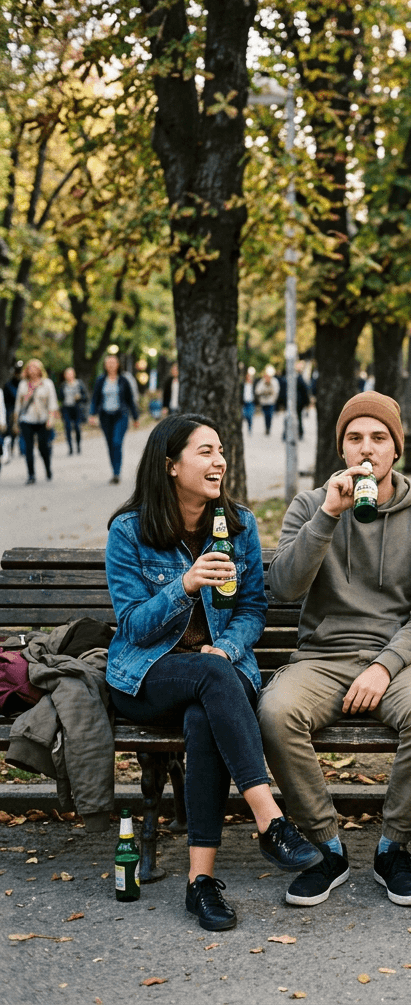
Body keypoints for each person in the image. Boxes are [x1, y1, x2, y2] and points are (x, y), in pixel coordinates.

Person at [104, 414, 320, 931]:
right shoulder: (129, 530)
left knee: (206, 707)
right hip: (148, 675)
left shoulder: (237, 525)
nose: (219, 460)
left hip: (220, 671)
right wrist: (184, 586)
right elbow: (133, 627)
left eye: (221, 450)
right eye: (205, 451)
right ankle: (270, 819)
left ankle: (200, 883)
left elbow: (252, 609)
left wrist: (225, 646)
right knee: (207, 677)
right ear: (170, 466)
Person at [258, 392, 411, 909]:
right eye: (355, 438)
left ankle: (393, 849)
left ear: (396, 449)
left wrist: (384, 667)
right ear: (341, 449)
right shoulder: (309, 505)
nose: (367, 449)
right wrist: (327, 515)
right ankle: (327, 847)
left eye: (379, 438)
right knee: (275, 712)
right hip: (322, 657)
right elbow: (284, 587)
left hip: (398, 660)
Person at [89, 354, 139, 484]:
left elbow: (130, 400)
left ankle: (117, 472)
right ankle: (114, 471)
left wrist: (135, 417)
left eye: (113, 363)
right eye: (108, 363)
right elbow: (95, 399)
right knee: (110, 444)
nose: (111, 365)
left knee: (117, 442)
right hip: (105, 416)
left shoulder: (123, 380)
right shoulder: (101, 380)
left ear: (118, 365)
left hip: (121, 415)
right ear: (105, 365)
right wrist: (92, 414)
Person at [13, 359, 59, 484]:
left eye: (35, 367)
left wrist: (51, 419)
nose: (32, 370)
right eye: (30, 368)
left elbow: (52, 402)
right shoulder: (23, 384)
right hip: (26, 419)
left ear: (40, 370)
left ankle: (48, 468)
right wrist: (15, 422)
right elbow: (18, 404)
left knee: (43, 447)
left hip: (42, 419)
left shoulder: (47, 383)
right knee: (28, 448)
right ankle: (31, 475)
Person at [60, 366, 88, 455]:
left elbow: (86, 397)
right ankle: (70, 448)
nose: (69, 376)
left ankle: (78, 446)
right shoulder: (63, 385)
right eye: (67, 374)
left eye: (70, 374)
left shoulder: (79, 384)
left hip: (77, 408)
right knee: (67, 428)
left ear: (74, 374)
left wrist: (80, 397)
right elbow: (60, 397)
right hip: (67, 408)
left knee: (77, 427)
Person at [255, 366, 280, 436]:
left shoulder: (274, 381)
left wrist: (274, 399)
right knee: (266, 415)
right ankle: (266, 427)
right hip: (264, 402)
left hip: (271, 402)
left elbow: (276, 391)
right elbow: (257, 391)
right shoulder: (262, 382)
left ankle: (268, 428)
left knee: (270, 415)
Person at [242, 366, 257, 434]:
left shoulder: (253, 385)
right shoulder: (243, 385)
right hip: (244, 402)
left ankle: (250, 427)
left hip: (251, 402)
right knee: (245, 415)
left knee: (249, 416)